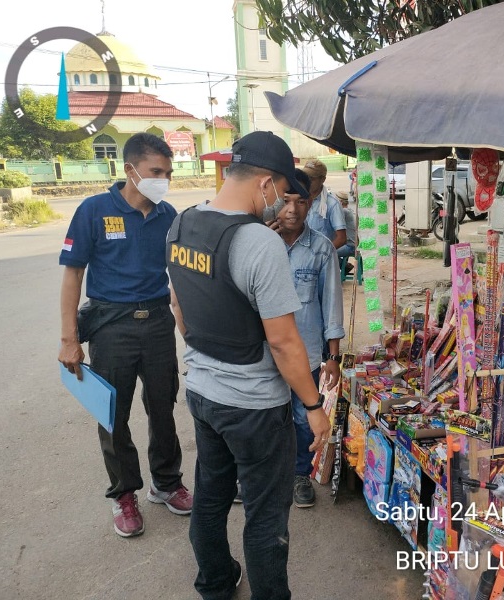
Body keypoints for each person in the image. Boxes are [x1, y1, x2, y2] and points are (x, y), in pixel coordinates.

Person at [168, 131, 331, 600]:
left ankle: (216, 584)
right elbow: (283, 342)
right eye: (282, 190)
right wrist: (314, 405)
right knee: (264, 517)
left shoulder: (181, 224)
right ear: (265, 183)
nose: (282, 202)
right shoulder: (259, 243)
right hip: (255, 408)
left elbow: (179, 308)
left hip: (203, 393)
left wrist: (208, 359)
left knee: (212, 496)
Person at [58, 132, 192, 538]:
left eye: (168, 173)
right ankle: (124, 494)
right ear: (130, 169)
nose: (163, 179)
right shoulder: (94, 210)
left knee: (163, 406)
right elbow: (73, 275)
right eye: (156, 171)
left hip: (155, 323)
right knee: (112, 414)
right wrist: (69, 339)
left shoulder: (168, 215)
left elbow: (182, 277)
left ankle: (166, 483)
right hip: (111, 324)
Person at [273, 169, 345, 508]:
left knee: (304, 417)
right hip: (264, 353)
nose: (292, 209)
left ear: (310, 203)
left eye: (301, 201)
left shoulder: (321, 249)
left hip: (305, 351)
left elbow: (331, 302)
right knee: (267, 416)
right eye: (285, 201)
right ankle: (265, 475)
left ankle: (300, 475)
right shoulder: (259, 244)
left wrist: (333, 357)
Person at [302, 159, 348, 249]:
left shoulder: (332, 204)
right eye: (305, 177)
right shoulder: (299, 199)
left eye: (311, 179)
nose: (307, 181)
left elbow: (342, 239)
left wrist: (323, 254)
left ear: (322, 179)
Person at [335, 189, 357, 261]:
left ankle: (342, 266)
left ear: (340, 202)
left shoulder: (344, 212)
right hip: (351, 244)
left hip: (350, 246)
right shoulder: (348, 211)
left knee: (328, 252)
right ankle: (344, 266)